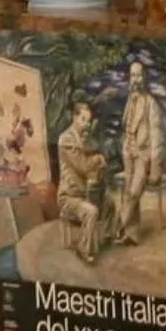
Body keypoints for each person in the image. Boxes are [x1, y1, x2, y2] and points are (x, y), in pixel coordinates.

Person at [113, 57, 164, 245]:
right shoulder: (129, 101)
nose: (135, 79)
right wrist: (125, 147)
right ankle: (132, 234)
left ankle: (115, 228)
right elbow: (126, 128)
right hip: (128, 154)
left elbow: (157, 137)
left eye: (139, 75)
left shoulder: (151, 103)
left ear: (144, 78)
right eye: (132, 75)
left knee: (134, 193)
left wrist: (156, 169)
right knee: (128, 192)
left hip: (144, 157)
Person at [55, 98, 107, 264]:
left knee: (110, 204)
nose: (86, 124)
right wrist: (98, 159)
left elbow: (89, 155)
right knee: (91, 211)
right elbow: (84, 166)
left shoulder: (83, 139)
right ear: (74, 117)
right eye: (83, 119)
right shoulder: (66, 139)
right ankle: (84, 248)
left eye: (88, 121)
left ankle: (103, 238)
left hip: (83, 194)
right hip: (68, 198)